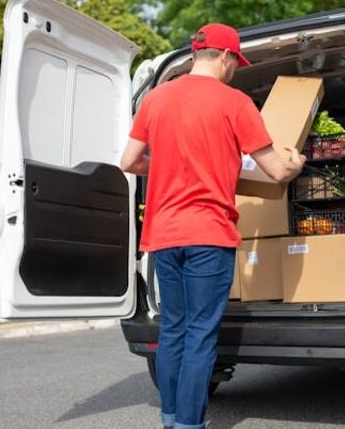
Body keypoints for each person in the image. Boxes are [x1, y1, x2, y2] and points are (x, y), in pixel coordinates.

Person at [120, 23, 305, 429]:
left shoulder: (156, 98)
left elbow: (129, 161)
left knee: (173, 329)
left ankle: (171, 419)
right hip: (208, 235)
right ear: (224, 57)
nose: (235, 70)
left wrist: (170, 164)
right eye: (235, 63)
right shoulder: (235, 103)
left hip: (164, 236)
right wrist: (296, 163)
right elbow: (275, 170)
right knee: (202, 335)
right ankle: (188, 424)